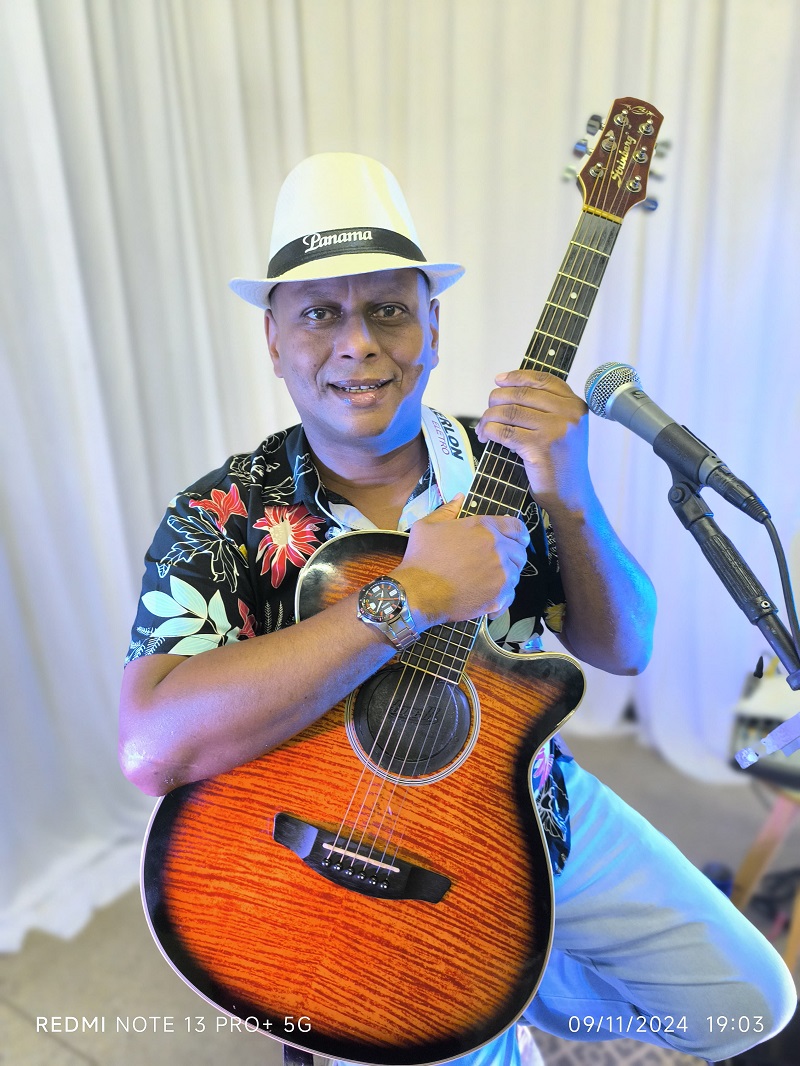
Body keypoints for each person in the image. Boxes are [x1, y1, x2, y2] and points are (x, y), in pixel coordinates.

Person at [120, 153, 796, 1065]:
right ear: (274, 342)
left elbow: (627, 647)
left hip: (530, 806)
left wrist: (571, 490)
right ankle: (490, 985)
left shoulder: (509, 464)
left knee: (750, 1007)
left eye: (388, 310)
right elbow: (152, 747)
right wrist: (412, 597)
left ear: (433, 326)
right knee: (439, 1035)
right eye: (319, 314)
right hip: (329, 859)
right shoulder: (222, 513)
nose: (358, 343)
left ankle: (524, 979)